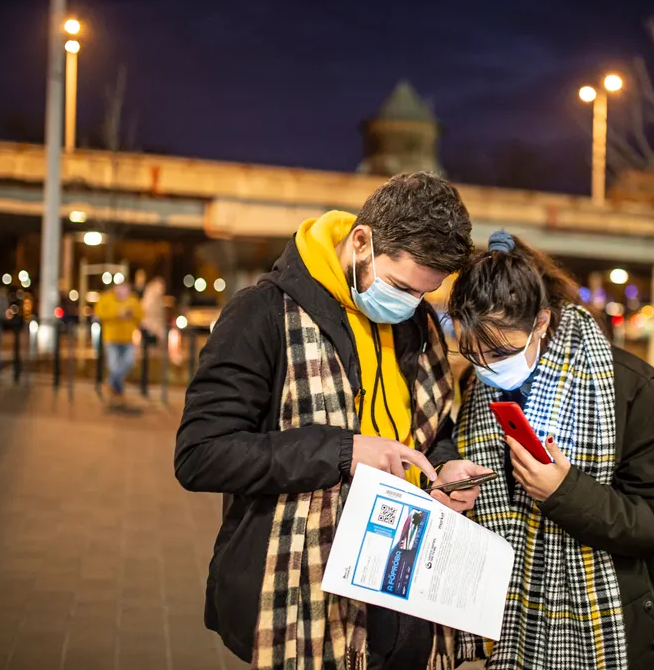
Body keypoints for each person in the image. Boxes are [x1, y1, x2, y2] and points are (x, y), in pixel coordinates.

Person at [175, 172, 487, 670]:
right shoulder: (261, 315)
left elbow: (431, 429)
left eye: (421, 295)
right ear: (360, 241)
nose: (407, 305)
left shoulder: (417, 321)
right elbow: (201, 455)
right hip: (306, 597)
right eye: (401, 286)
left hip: (406, 591)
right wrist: (343, 451)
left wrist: (443, 466)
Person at [447, 231, 654, 670]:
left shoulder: (632, 389)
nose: (486, 366)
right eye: (473, 351)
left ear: (542, 322)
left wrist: (565, 492)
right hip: (510, 626)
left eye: (500, 351)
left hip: (613, 634)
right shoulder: (476, 385)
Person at [94, 281, 143, 403]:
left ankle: (110, 384)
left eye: (125, 289)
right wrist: (117, 314)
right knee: (113, 366)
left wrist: (132, 314)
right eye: (120, 288)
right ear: (115, 288)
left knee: (129, 362)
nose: (122, 291)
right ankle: (119, 391)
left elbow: (141, 315)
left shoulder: (133, 300)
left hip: (128, 340)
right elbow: (99, 314)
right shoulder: (106, 298)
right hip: (111, 339)